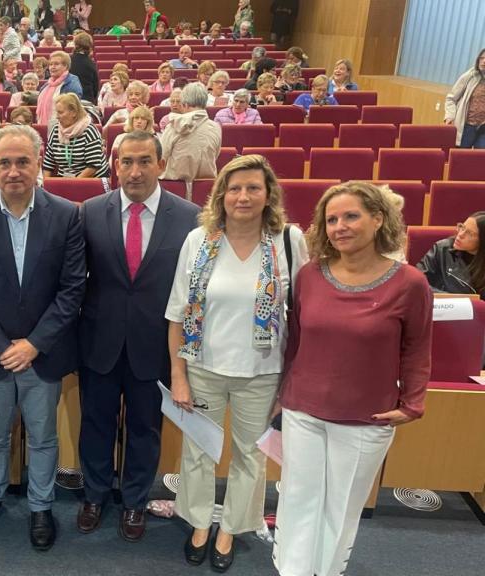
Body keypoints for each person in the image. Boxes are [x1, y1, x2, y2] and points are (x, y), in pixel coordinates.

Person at [274, 181, 432, 576]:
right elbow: (294, 340)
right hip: (303, 410)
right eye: (331, 219)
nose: (340, 226)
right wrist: (283, 394)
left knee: (340, 508)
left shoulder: (410, 283)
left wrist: (412, 404)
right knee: (297, 499)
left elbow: (416, 348)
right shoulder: (310, 275)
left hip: (366, 418)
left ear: (378, 219)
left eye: (351, 216)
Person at [166, 154, 307, 570]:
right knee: (199, 451)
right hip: (203, 368)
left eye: (253, 188)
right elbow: (176, 313)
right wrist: (178, 375)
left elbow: (303, 317)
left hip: (263, 374)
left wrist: (290, 385)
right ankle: (199, 524)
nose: (243, 196)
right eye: (234, 188)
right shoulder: (199, 240)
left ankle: (229, 528)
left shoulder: (288, 241)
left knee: (250, 455)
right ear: (221, 195)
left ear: (268, 196)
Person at [0, 124, 85, 551]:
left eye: (22, 161)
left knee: (44, 434)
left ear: (37, 163)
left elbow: (72, 290)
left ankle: (41, 504)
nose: (13, 171)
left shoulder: (67, 214)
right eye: (4, 162)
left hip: (42, 353)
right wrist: (2, 346)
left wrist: (34, 343)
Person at [76, 129, 199, 543]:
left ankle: (134, 501)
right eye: (126, 162)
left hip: (156, 345)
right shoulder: (90, 211)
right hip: (100, 341)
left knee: (145, 429)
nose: (135, 170)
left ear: (161, 165)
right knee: (96, 424)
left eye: (145, 161)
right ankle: (94, 495)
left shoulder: (188, 217)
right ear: (115, 166)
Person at [159, 82, 221, 183]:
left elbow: (161, 158)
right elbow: (214, 155)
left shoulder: (172, 127)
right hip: (205, 190)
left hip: (175, 189)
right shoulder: (216, 127)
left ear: (185, 104)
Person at [416, 211, 484, 295]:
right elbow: (417, 282)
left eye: (470, 233)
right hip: (443, 305)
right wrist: (449, 299)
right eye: (462, 227)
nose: (460, 234)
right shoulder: (442, 249)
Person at [42, 93, 107, 179]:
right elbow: (48, 162)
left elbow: (93, 166)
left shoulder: (89, 130)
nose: (57, 117)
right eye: (56, 112)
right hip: (65, 179)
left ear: (73, 112)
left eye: (60, 112)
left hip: (91, 179)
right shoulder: (55, 130)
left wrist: (73, 184)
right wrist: (46, 184)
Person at [445, 48, 485, 149]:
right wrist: (450, 116)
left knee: (480, 160)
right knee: (461, 158)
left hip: (483, 129)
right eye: (482, 58)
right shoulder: (469, 76)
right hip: (467, 126)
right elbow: (451, 98)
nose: (483, 61)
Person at [36, 51, 83, 124]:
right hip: (44, 126)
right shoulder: (46, 85)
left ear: (66, 66)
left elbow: (72, 111)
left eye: (56, 64)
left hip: (62, 128)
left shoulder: (72, 84)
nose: (52, 67)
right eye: (51, 64)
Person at [69, 33, 100, 104]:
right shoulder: (91, 63)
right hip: (87, 101)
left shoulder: (68, 60)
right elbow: (95, 87)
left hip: (70, 100)